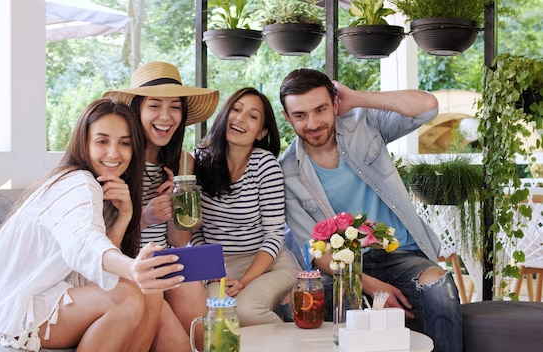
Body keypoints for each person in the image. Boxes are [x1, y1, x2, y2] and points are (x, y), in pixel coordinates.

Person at [0, 98, 189, 351]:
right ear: (84, 143)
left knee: (148, 294)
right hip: (7, 308)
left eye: (124, 143)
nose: (114, 153)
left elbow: (92, 272)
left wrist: (125, 217)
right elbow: (84, 243)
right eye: (102, 141)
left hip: (41, 296)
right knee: (127, 297)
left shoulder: (102, 188)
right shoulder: (78, 182)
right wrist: (132, 267)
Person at [277, 68, 463, 352]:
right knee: (296, 308)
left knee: (440, 288)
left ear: (334, 104)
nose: (313, 123)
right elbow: (314, 252)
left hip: (402, 255)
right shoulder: (288, 171)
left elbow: (427, 107)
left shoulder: (363, 124)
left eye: (321, 109)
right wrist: (371, 285)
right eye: (300, 115)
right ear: (287, 117)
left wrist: (356, 98)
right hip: (344, 270)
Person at [103, 61, 219, 348]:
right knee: (177, 341)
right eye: (155, 106)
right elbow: (96, 240)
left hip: (168, 260)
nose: (165, 117)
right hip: (127, 264)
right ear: (137, 110)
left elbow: (180, 240)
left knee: (204, 337)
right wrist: (146, 216)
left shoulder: (183, 161)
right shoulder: (116, 158)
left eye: (175, 107)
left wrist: (175, 210)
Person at [192, 87, 300, 326]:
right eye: (236, 110)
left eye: (252, 116)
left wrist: (245, 281)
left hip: (269, 264)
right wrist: (214, 273)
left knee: (248, 310)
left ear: (261, 132)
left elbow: (274, 235)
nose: (240, 118)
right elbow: (195, 232)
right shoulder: (199, 162)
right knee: (214, 315)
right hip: (220, 269)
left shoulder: (265, 165)